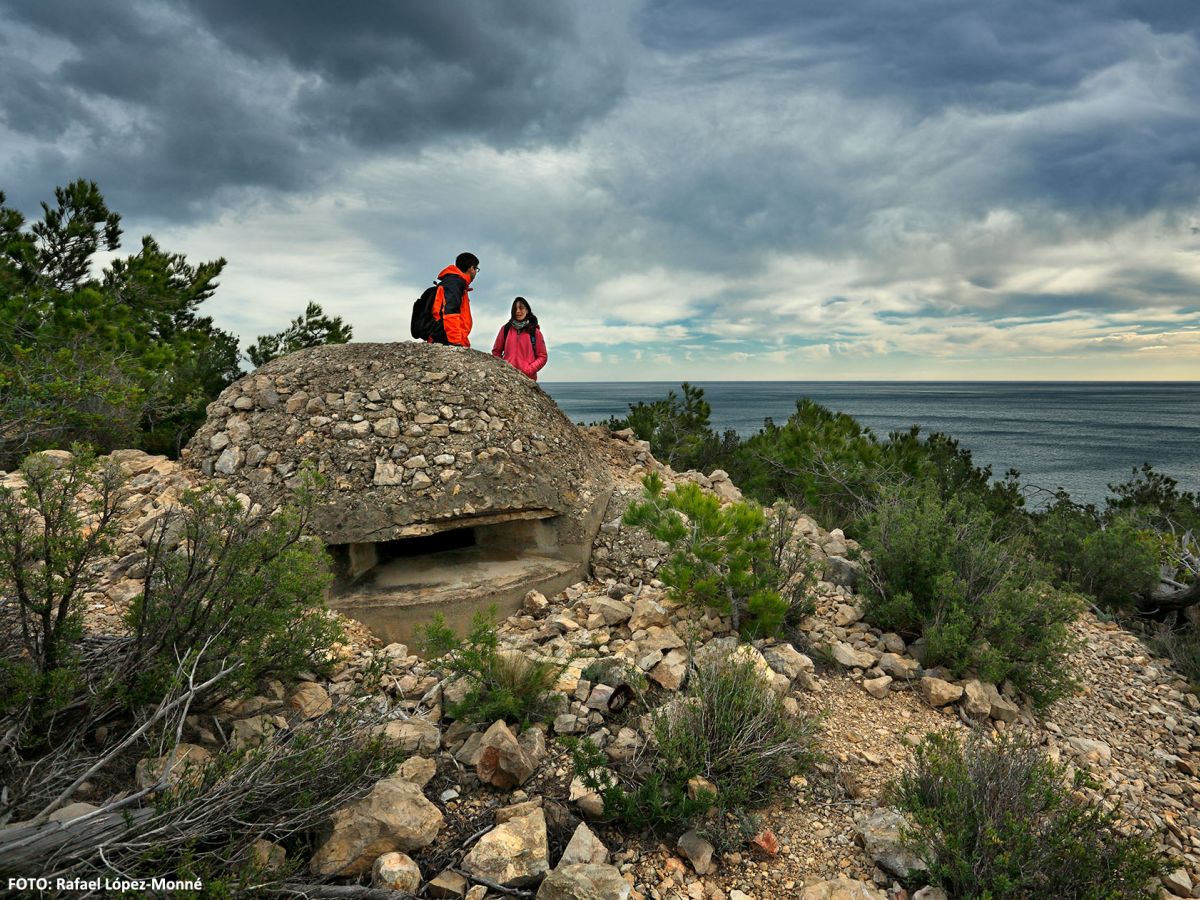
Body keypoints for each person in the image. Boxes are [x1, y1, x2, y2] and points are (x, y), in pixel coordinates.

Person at [491, 296, 548, 380]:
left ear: (527, 310)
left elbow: (542, 356)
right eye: (515, 309)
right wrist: (504, 367)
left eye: (521, 308)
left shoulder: (535, 332)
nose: (517, 311)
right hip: (508, 377)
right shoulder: (505, 329)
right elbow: (496, 351)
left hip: (527, 378)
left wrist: (529, 369)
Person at [430, 252, 479, 347]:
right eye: (476, 269)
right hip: (446, 340)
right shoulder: (454, 283)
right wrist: (456, 342)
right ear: (471, 268)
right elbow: (450, 313)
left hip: (447, 338)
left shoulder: (455, 283)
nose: (476, 272)